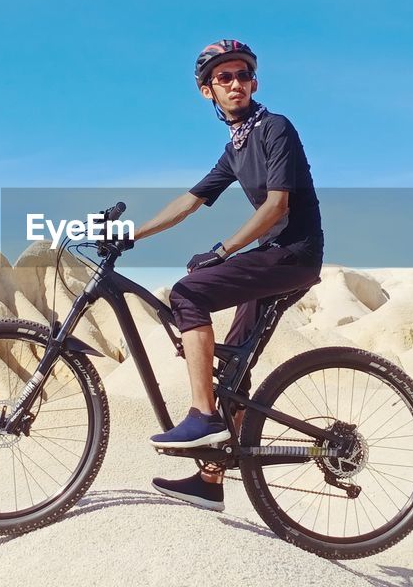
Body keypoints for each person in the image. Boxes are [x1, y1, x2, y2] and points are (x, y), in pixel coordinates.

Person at [128, 39, 324, 511]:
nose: (236, 84)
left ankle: (202, 416)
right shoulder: (235, 147)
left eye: (243, 75)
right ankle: (211, 480)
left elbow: (279, 203)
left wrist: (224, 250)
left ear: (254, 82)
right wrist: (130, 234)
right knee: (233, 366)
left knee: (188, 293)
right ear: (207, 91)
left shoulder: (274, 128)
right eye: (224, 78)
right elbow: (190, 201)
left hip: (292, 254)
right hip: (273, 255)